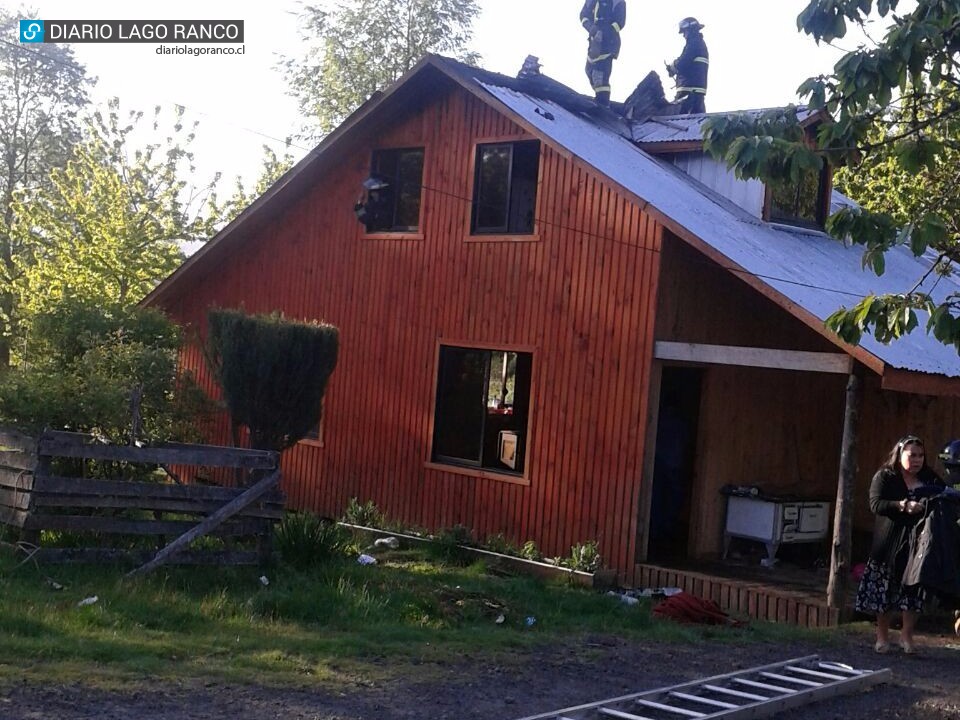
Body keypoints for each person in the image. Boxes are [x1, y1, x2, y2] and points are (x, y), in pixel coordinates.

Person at [855, 435, 944, 654]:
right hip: (888, 544)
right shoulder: (885, 476)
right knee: (883, 592)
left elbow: (943, 496)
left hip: (917, 545)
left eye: (921, 456)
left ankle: (906, 635)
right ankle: (882, 637)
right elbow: (876, 504)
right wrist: (901, 505)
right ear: (900, 454)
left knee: (912, 594)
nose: (917, 460)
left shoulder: (929, 478)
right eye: (912, 455)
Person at [580, 0, 626, 107]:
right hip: (594, 43)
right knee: (589, 71)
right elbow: (583, 16)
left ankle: (602, 103)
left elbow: (619, 23)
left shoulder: (618, 2)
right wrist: (591, 27)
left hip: (609, 43)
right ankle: (600, 98)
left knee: (600, 75)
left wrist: (603, 32)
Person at [666, 17, 709, 114]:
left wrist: (672, 67)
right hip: (696, 93)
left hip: (688, 93)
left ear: (690, 30)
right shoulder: (699, 44)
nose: (684, 35)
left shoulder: (694, 44)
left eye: (684, 32)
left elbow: (683, 63)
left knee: (680, 120)